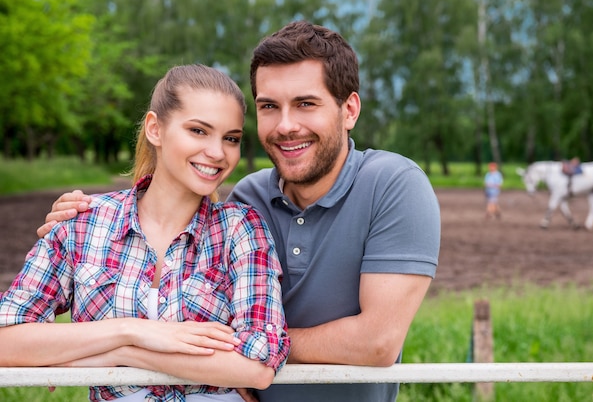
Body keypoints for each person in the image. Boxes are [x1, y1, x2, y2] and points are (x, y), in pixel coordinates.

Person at [36, 21, 441, 402]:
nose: (285, 125)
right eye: (269, 106)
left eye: (305, 104)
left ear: (349, 110)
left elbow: (376, 342)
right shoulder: (249, 199)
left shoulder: (393, 184)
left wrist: (251, 352)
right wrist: (79, 223)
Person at [1, 64, 290, 401]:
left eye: (231, 139)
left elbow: (258, 364)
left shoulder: (241, 228)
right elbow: (8, 338)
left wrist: (124, 355)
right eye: (198, 131)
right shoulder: (82, 223)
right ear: (155, 129)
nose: (217, 152)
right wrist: (132, 331)